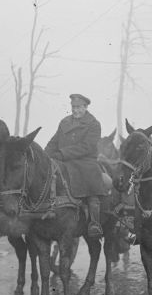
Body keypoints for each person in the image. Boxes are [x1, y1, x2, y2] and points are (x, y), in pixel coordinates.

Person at [45, 94, 108, 238]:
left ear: (85, 107)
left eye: (79, 107)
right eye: (73, 107)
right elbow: (54, 141)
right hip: (63, 160)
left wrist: (62, 153)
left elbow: (87, 146)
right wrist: (45, 155)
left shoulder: (93, 124)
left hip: (84, 161)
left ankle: (94, 222)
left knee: (91, 183)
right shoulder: (64, 122)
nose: (76, 110)